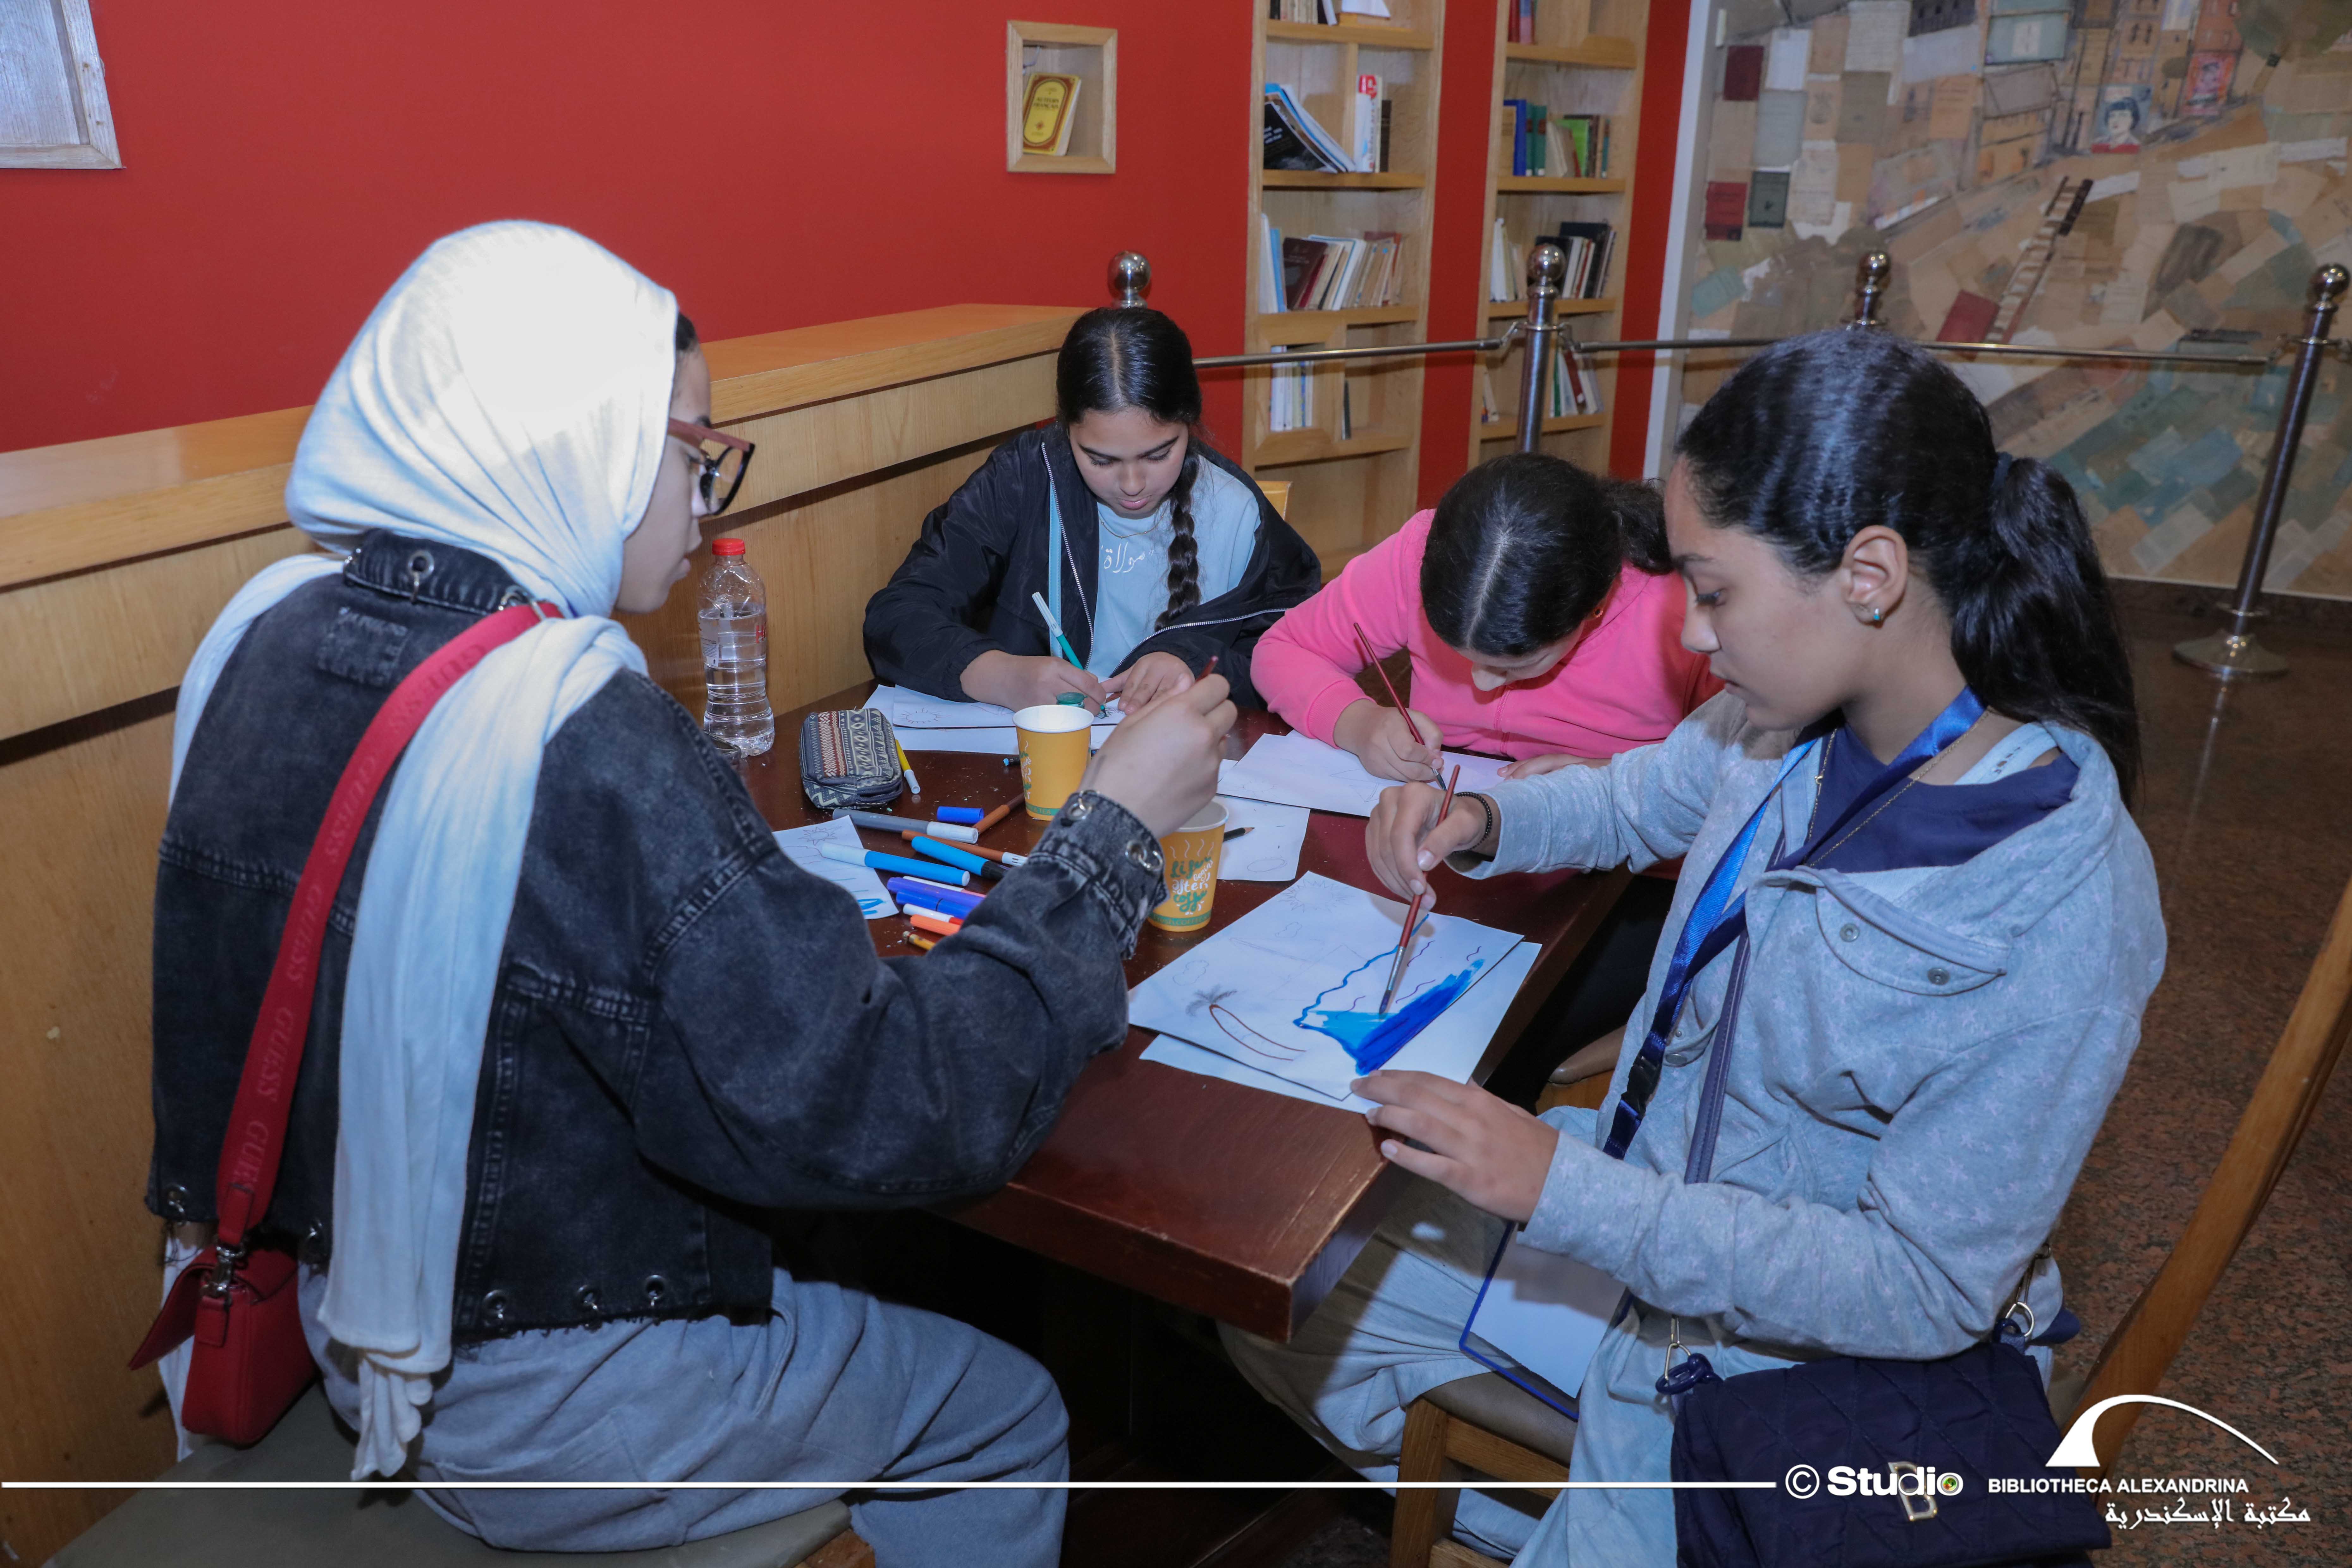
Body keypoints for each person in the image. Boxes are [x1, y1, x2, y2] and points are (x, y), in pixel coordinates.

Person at [147, 222, 1237, 1565]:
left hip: (357, 1300)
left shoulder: (268, 634)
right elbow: (900, 1106)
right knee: (1006, 1409)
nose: (704, 496)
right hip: (547, 1392)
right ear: (585, 446)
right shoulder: (578, 732)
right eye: (688, 450)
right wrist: (1112, 831)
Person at [1223, 329, 2166, 1562]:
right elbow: (1639, 799)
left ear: (1870, 575)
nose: (1691, 636)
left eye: (1713, 592)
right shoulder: (1792, 719)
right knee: (1273, 1272)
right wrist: (1487, 819)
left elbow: (1925, 1289)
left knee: (1328, 1284)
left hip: (1776, 1375)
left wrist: (1568, 1193)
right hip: (1655, 1219)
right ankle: (1530, 1512)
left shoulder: (2064, 896)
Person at [863, 305, 1319, 715]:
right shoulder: (1025, 477)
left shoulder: (1237, 511)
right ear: (1066, 431)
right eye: (1100, 460)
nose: (1132, 485)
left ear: (1189, 423)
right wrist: (1001, 676)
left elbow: (1304, 656)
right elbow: (898, 615)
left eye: (1159, 454)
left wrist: (1195, 663)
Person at [1251, 451, 1717, 784]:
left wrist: (1618, 779)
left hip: (1622, 862)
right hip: (1442, 806)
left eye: (1516, 665)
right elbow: (1283, 650)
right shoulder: (1423, 552)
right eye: (1458, 654)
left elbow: (1743, 769)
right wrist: (1357, 723)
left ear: (1595, 606)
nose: (1481, 683)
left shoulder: (1684, 609)